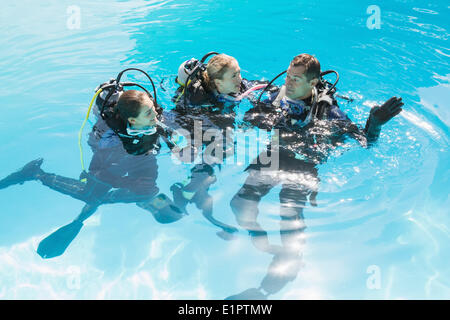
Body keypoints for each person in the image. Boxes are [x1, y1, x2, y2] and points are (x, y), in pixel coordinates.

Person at [227, 53, 403, 298]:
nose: (288, 82)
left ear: (312, 83)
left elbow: (365, 143)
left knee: (288, 216)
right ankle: (263, 243)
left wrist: (375, 123)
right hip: (274, 156)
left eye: (296, 79)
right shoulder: (274, 96)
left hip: (304, 165)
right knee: (239, 203)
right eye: (288, 75)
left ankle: (269, 287)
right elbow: (240, 90)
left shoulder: (329, 114)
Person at [0, 89, 187, 258]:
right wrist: (124, 183)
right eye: (149, 113)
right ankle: (36, 174)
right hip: (113, 162)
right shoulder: (112, 143)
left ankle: (94, 205)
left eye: (153, 109)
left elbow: (172, 127)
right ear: (132, 120)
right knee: (90, 193)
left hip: (140, 156)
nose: (156, 115)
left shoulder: (151, 119)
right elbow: (99, 173)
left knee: (145, 191)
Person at [168, 53, 269, 238]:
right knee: (223, 148)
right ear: (218, 84)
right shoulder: (198, 100)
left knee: (221, 151)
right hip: (193, 122)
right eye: (234, 76)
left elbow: (263, 89)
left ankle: (192, 190)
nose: (240, 79)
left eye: (239, 72)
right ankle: (191, 190)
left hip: (214, 123)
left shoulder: (238, 86)